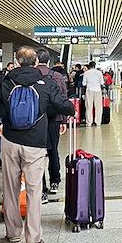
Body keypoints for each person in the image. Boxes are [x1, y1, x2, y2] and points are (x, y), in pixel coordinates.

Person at [0, 46, 73, 243]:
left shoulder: (7, 82)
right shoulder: (46, 82)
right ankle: (33, 238)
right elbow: (67, 107)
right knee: (33, 190)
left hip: (10, 141)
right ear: (36, 61)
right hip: (35, 144)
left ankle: (13, 233)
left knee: (11, 189)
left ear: (18, 61)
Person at [35, 49, 68, 201]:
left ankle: (42, 190)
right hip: (54, 119)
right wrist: (63, 120)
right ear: (49, 61)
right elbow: (63, 98)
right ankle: (55, 181)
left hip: (35, 121)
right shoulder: (57, 76)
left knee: (38, 155)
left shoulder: (30, 75)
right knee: (53, 150)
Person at [83, 61, 104, 127]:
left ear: (89, 66)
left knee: (89, 107)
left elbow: (84, 83)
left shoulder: (86, 73)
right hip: (98, 90)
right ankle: (98, 122)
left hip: (89, 90)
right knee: (98, 107)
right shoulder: (99, 72)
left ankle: (89, 122)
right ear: (95, 66)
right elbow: (102, 82)